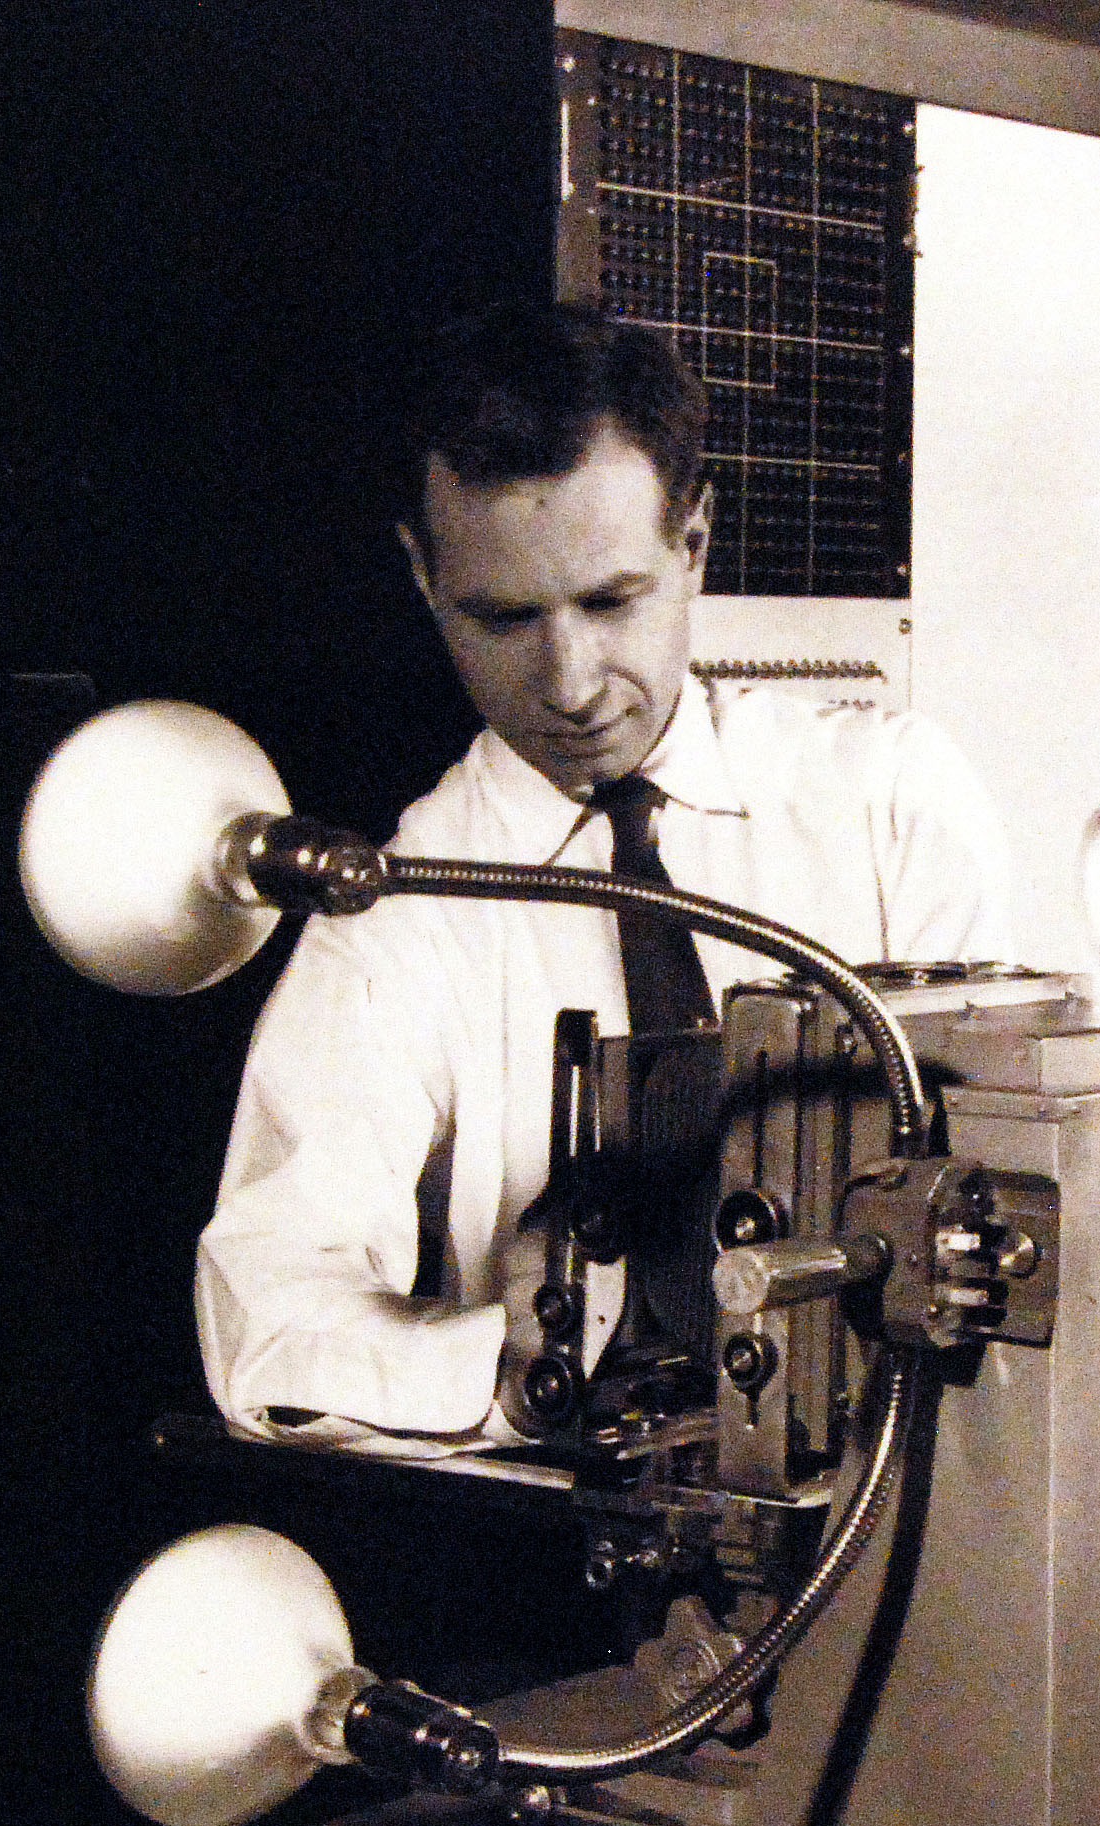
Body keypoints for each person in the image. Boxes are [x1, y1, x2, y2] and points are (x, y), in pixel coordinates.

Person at [195, 302, 1018, 1452]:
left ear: (693, 540)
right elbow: (264, 1322)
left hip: (906, 1486)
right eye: (504, 616)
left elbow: (1011, 1188)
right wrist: (509, 1356)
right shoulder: (398, 914)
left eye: (608, 602)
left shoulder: (889, 800)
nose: (571, 680)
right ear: (422, 577)